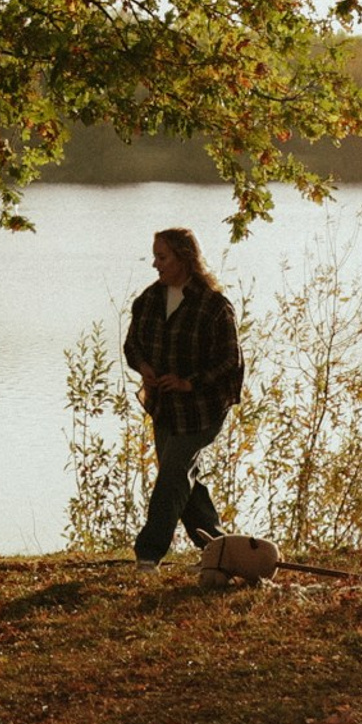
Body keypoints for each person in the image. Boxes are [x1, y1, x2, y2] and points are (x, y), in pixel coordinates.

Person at [121, 226, 243, 566]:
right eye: (155, 256)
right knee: (182, 479)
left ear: (185, 258)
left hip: (202, 411)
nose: (155, 264)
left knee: (172, 475)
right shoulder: (147, 300)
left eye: (162, 257)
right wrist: (144, 366)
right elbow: (132, 346)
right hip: (163, 408)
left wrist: (191, 383)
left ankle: (148, 555)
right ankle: (219, 549)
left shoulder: (215, 306)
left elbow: (230, 362)